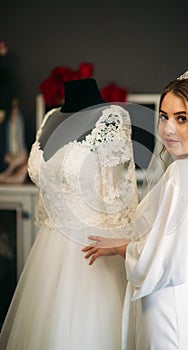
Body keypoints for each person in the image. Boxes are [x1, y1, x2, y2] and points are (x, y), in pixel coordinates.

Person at [83, 71, 188, 349]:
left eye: (182, 118)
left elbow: (162, 260)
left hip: (170, 308)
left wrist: (121, 248)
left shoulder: (182, 174)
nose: (168, 129)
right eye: (164, 116)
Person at [0, 78, 138, 349]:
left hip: (90, 252)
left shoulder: (111, 118)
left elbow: (118, 195)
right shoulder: (51, 116)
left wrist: (128, 250)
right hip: (47, 252)